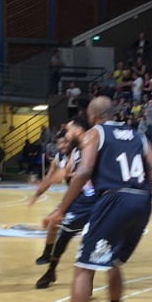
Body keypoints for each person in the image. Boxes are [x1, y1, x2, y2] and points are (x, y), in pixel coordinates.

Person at [43, 96, 152, 302]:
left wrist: (61, 208)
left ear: (93, 114)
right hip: (142, 201)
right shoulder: (137, 134)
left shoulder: (95, 132)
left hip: (114, 199)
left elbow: (84, 171)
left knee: (84, 268)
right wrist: (136, 193)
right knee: (113, 263)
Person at [33, 116, 97, 289]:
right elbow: (63, 173)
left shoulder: (95, 148)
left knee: (92, 241)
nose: (66, 134)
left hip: (98, 200)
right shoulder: (75, 152)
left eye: (68, 130)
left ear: (79, 130)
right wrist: (41, 188)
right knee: (64, 237)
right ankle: (51, 271)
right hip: (80, 200)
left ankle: (88, 281)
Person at [30, 131, 71, 265]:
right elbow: (48, 179)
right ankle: (47, 254)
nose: (62, 146)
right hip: (74, 196)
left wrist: (57, 177)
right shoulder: (58, 159)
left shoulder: (80, 153)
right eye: (60, 143)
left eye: (65, 142)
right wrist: (37, 194)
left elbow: (60, 177)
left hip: (91, 195)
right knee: (54, 224)